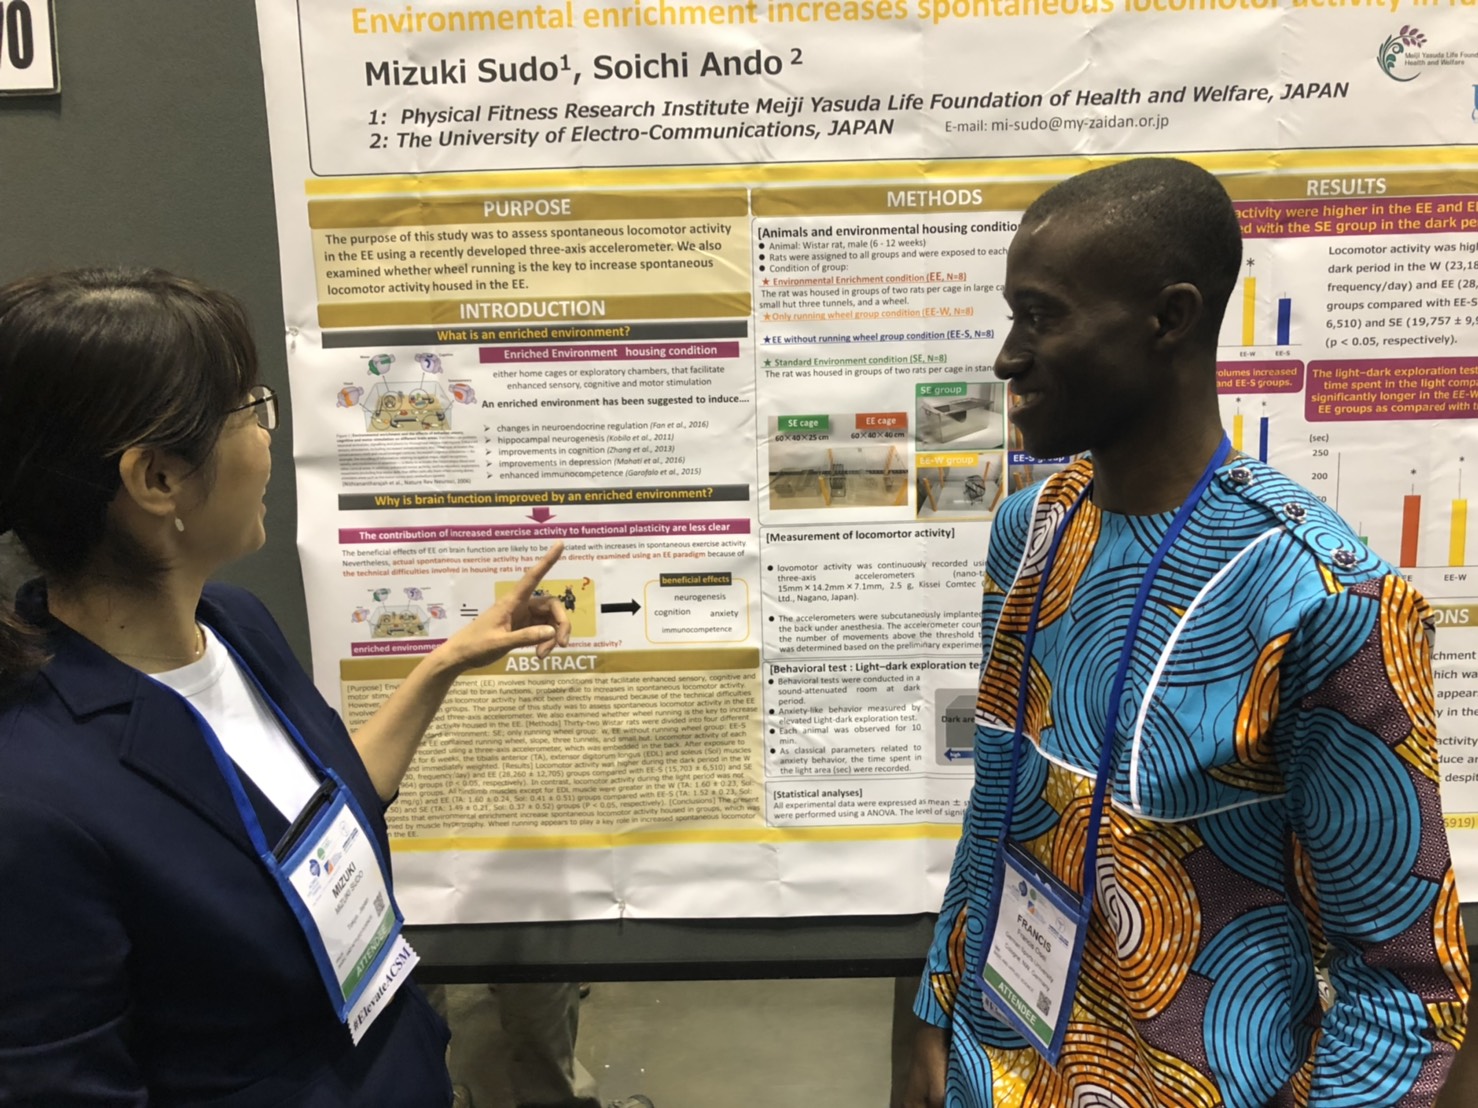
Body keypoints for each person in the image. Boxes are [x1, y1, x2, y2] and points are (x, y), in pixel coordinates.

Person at [901, 159, 1471, 1107]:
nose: (1007, 358)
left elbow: (1404, 987)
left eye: (1041, 317)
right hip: (995, 1066)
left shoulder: (1322, 599)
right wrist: (934, 1008)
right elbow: (996, 801)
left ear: (1168, 318)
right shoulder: (1033, 530)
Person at [0, 268, 571, 1106]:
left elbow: (324, 811)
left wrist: (445, 664)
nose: (269, 438)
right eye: (248, 409)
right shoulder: (34, 800)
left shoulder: (234, 624)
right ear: (157, 481)